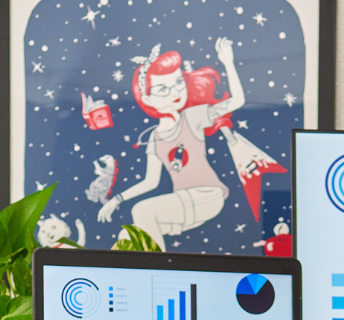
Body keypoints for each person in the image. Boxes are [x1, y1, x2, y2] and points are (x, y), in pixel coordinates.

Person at [97, 39, 247, 242]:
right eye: (162, 89)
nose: (175, 92)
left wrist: (228, 63)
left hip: (207, 195)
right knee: (130, 234)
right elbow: (150, 182)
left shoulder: (192, 117)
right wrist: (116, 199)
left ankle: (156, 272)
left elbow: (237, 101)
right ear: (147, 98)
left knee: (143, 211)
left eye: (178, 82)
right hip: (184, 203)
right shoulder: (154, 138)